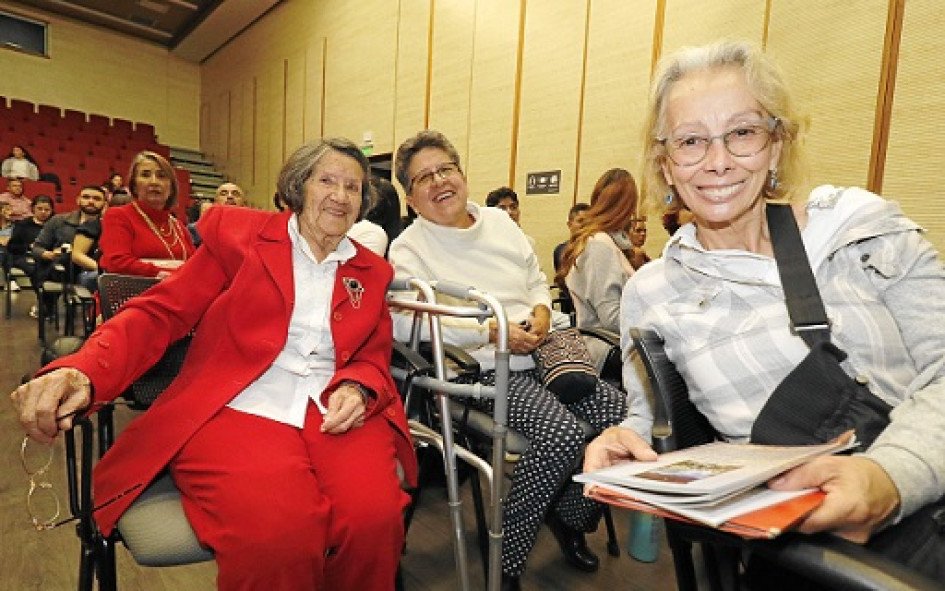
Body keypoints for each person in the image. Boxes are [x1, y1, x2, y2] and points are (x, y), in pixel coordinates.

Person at [585, 39, 945, 583]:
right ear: (666, 164)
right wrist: (622, 440)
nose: (718, 160)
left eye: (743, 132)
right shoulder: (651, 291)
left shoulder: (859, 230)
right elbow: (647, 420)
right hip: (799, 541)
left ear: (776, 145)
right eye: (691, 141)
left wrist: (889, 476)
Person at [10, 138, 417, 591]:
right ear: (298, 186)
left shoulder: (371, 271)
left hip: (331, 413)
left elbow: (371, 355)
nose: (341, 196)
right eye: (327, 181)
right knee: (280, 536)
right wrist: (84, 369)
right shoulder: (242, 238)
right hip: (236, 407)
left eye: (354, 187)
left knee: (374, 521)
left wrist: (358, 387)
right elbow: (160, 313)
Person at [389, 130, 627, 590]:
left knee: (621, 416)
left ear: (462, 173)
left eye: (446, 169)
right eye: (423, 178)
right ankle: (508, 560)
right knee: (560, 435)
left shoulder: (500, 223)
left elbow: (536, 279)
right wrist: (491, 330)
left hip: (544, 352)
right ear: (410, 197)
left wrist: (540, 312)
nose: (439, 181)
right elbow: (406, 324)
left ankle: (570, 514)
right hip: (483, 368)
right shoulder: (409, 248)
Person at [555, 169, 638, 367]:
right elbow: (610, 317)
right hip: (607, 347)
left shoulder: (605, 242)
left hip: (613, 342)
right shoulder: (599, 244)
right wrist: (656, 326)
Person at [98, 151, 196, 279]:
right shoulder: (118, 216)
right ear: (134, 185)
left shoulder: (178, 226)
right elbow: (116, 263)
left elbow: (196, 265)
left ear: (171, 188)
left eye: (162, 176)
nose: (154, 182)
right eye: (145, 175)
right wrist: (161, 273)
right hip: (134, 295)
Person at [31, 185, 107, 284]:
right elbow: (37, 247)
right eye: (86, 197)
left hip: (94, 272)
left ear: (105, 203)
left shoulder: (109, 225)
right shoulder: (58, 220)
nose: (91, 201)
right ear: (78, 200)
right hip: (60, 271)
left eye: (97, 199)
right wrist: (48, 254)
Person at [7, 195, 55, 317]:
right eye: (40, 209)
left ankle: (48, 303)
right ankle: (43, 302)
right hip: (24, 256)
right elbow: (12, 247)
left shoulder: (55, 223)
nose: (43, 212)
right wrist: (29, 247)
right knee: (35, 269)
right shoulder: (22, 225)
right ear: (33, 209)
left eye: (47, 209)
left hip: (48, 256)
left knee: (53, 268)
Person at [486, 186, 536, 251]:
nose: (510, 212)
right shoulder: (484, 243)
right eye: (502, 209)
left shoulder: (527, 242)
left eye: (513, 207)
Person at [552, 203, 590, 274]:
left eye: (588, 221)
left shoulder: (595, 248)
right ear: (569, 224)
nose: (585, 225)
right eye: (580, 221)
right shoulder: (560, 251)